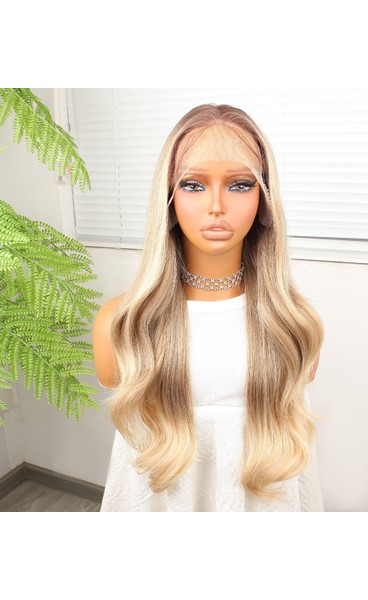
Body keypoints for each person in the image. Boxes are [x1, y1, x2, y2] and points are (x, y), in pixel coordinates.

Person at [93, 103, 325, 511]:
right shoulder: (123, 325)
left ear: (265, 200)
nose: (217, 205)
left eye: (240, 185)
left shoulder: (293, 325)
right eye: (193, 185)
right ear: (167, 198)